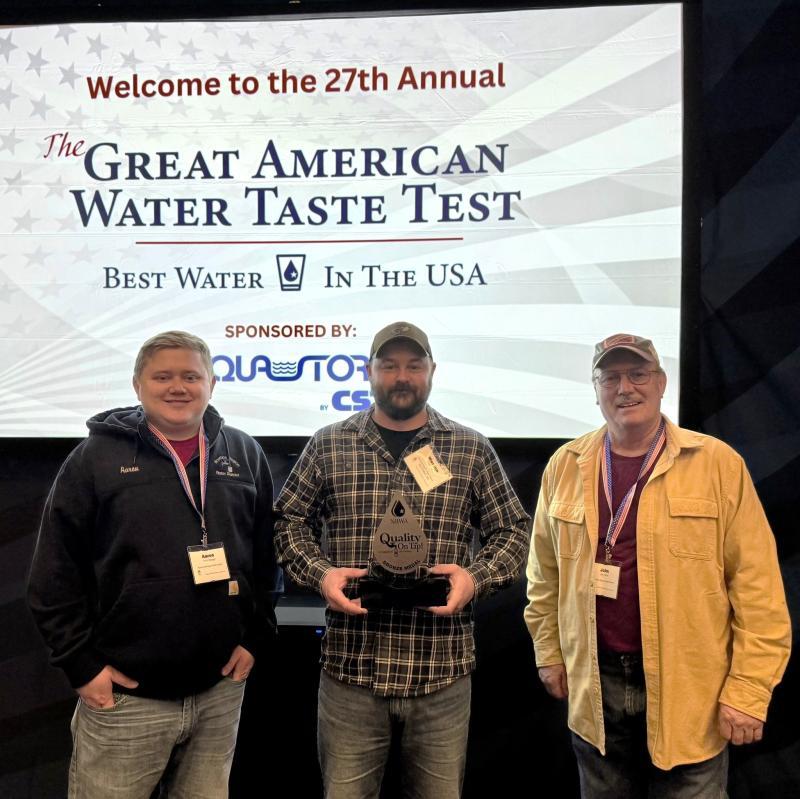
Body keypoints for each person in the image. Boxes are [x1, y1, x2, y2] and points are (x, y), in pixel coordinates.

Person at [525, 333, 791, 798]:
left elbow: (758, 587)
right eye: (610, 377)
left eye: (638, 374)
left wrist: (749, 691)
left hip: (692, 692)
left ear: (662, 382)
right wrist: (549, 654)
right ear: (596, 389)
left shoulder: (717, 465)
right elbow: (543, 576)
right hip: (595, 687)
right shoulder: (564, 466)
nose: (625, 388)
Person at [275, 321, 530, 798]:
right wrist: (321, 574)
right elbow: (288, 522)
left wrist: (475, 579)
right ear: (369, 372)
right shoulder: (329, 443)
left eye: (414, 365)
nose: (402, 377)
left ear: (433, 371)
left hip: (440, 673)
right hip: (351, 670)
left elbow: (513, 530)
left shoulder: (469, 447)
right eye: (389, 365)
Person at [27, 330, 279, 799]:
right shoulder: (94, 459)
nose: (177, 387)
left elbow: (267, 555)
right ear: (138, 385)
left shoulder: (243, 453)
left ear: (212, 384)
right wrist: (83, 668)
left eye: (190, 376)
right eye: (162, 376)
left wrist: (254, 636)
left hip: (219, 693)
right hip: (126, 699)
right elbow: (53, 576)